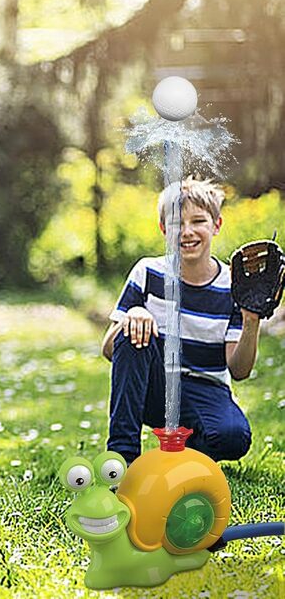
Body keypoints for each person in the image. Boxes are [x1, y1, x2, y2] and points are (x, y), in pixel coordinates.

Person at [101, 177, 259, 466]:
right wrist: (134, 315)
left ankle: (177, 451)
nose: (186, 232)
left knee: (233, 437)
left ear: (217, 225)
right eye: (176, 223)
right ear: (164, 229)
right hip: (155, 387)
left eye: (198, 221)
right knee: (134, 330)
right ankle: (121, 460)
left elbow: (239, 370)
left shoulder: (234, 286)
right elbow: (109, 349)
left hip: (206, 389)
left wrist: (251, 320)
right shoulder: (147, 272)